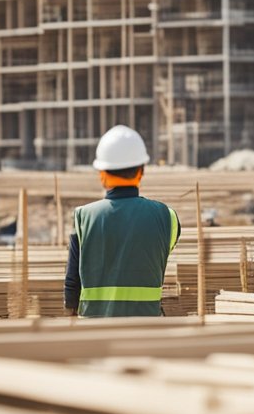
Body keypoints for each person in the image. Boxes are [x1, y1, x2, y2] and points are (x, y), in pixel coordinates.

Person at [64, 125, 180, 317]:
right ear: (141, 171)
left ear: (102, 174)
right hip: (147, 330)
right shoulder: (167, 217)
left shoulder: (83, 217)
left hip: (95, 333)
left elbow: (72, 284)